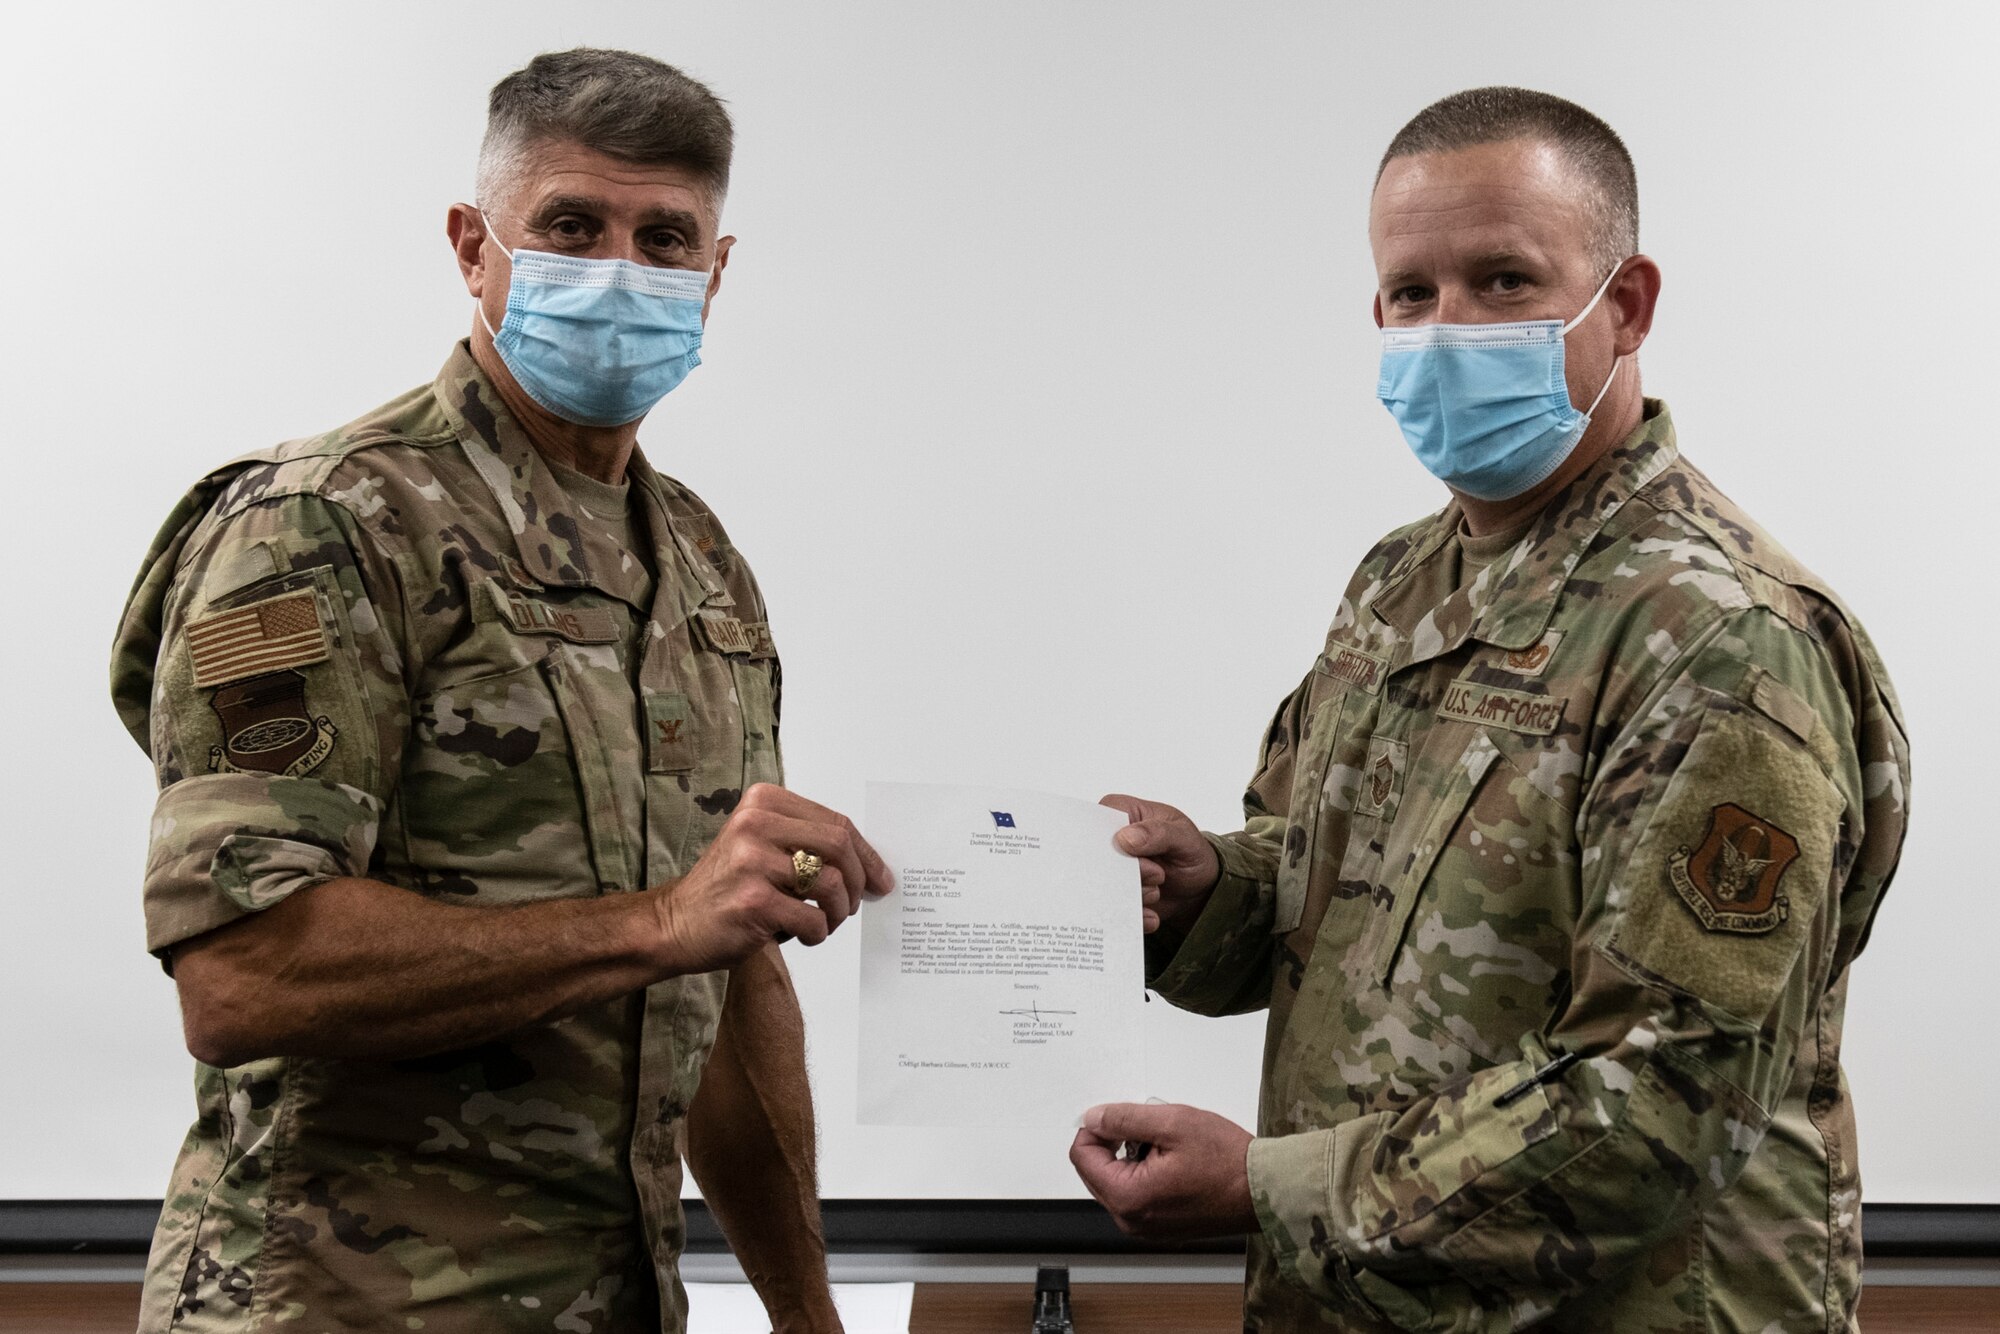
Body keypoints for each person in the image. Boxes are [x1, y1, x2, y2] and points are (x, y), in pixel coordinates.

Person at [1071, 87, 1909, 1332]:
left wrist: (1266, 1186)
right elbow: (1343, 901)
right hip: (1367, 1300)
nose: (1446, 327)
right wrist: (1203, 895)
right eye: (1411, 293)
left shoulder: (1721, 642)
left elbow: (1659, 1102)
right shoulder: (1399, 580)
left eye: (1503, 281)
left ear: (1621, 306)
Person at [109, 48, 889, 1334]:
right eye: (572, 227)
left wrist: (807, 1314)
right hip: (328, 1306)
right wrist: (656, 922)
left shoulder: (699, 565)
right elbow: (241, 972)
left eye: (664, 238)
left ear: (715, 271)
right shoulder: (322, 523)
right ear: (475, 247)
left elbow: (727, 979)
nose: (622, 271)